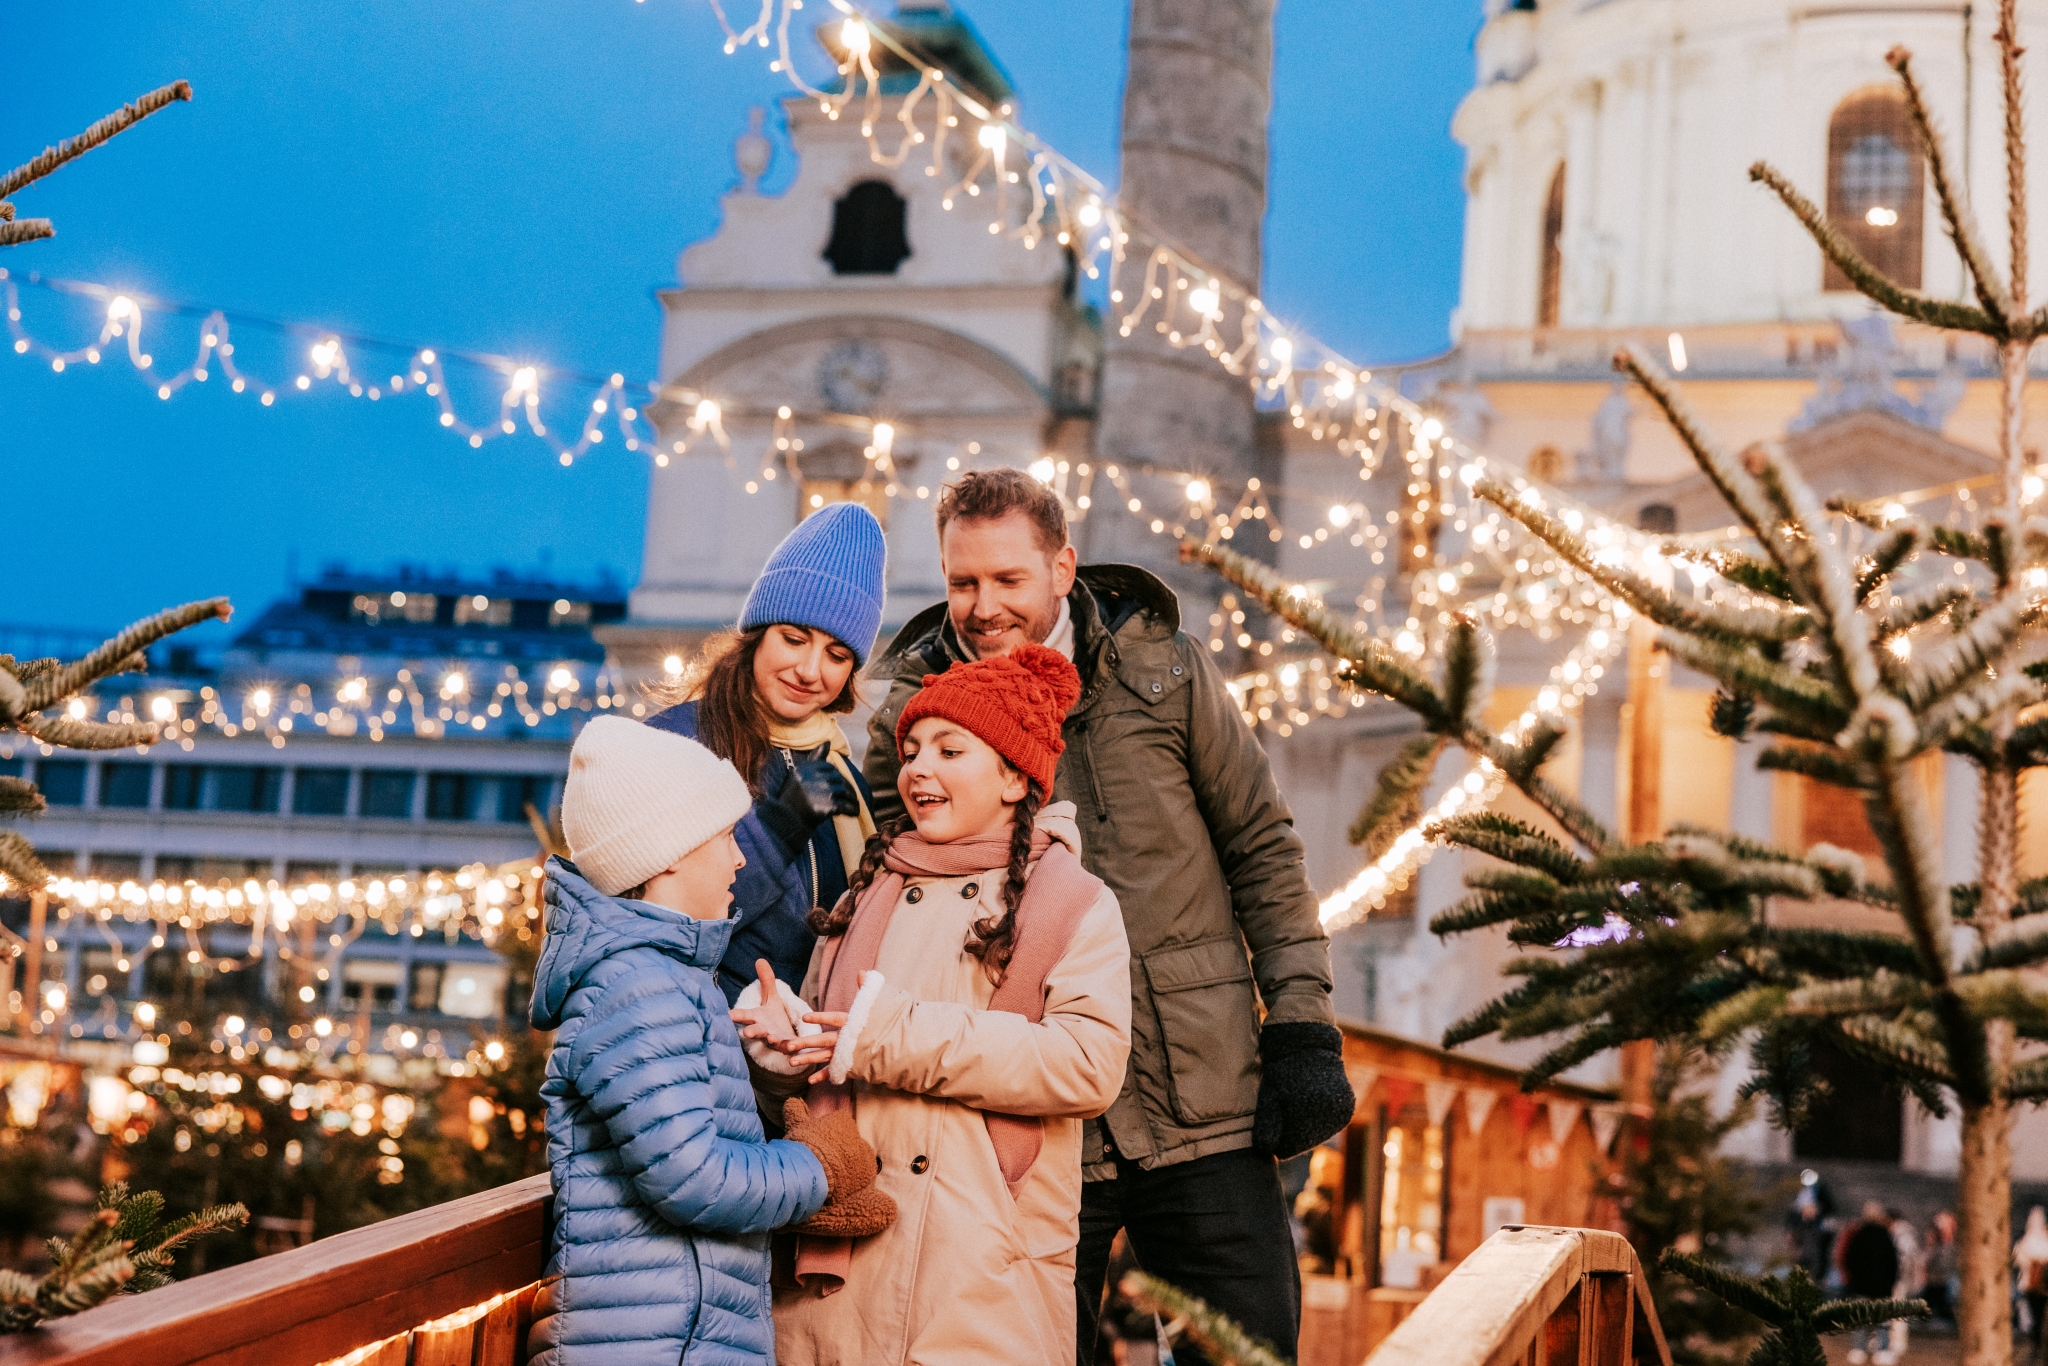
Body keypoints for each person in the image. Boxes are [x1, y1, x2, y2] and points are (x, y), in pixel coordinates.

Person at [862, 469, 1352, 1364]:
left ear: (1061, 566)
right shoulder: (910, 718)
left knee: (1242, 1354)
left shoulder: (1162, 674)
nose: (983, 606)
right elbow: (898, 906)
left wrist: (1303, 1029)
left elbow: (1263, 849)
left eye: (1008, 579)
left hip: (1203, 1097)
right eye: (962, 581)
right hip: (1026, 1124)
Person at [751, 644, 1133, 1365]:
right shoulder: (868, 891)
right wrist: (779, 1050)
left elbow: (1086, 1065)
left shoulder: (1074, 903)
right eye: (913, 749)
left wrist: (889, 1037)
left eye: (950, 749)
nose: (918, 768)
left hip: (979, 1284)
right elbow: (820, 1064)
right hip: (838, 1283)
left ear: (1017, 777)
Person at [527, 716, 895, 1365]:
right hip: (660, 1346)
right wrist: (819, 1167)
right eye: (725, 834)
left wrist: (764, 1059)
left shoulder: (666, 977)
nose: (740, 856)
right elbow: (693, 1178)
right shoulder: (638, 987)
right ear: (668, 852)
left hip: (676, 1335)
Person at [650, 501, 887, 1004]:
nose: (809, 669)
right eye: (794, 639)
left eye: (837, 655)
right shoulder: (678, 742)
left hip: (803, 1052)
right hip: (705, 1038)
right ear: (757, 636)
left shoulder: (838, 766)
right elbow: (660, 920)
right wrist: (779, 828)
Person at [1842, 1200, 1901, 1365]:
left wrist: (1854, 1280)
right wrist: (1891, 1282)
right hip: (1882, 1287)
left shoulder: (1859, 1235)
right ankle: (1882, 1351)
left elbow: (1849, 1259)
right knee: (1882, 1321)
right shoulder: (1885, 1235)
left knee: (1861, 1320)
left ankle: (1858, 1350)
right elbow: (1893, 1263)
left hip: (1862, 1286)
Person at [2017, 1206, 2048, 1360]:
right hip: (2034, 1286)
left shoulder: (2030, 1240)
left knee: (2038, 1319)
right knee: (2037, 1319)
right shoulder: (2032, 1239)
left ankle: (2037, 1348)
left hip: (2039, 1285)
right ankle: (2037, 1348)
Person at [1923, 1210, 1957, 1325]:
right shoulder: (1937, 1246)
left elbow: (1941, 1263)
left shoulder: (1946, 1247)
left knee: (1940, 1302)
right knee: (1935, 1301)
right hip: (1937, 1279)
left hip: (1941, 1279)